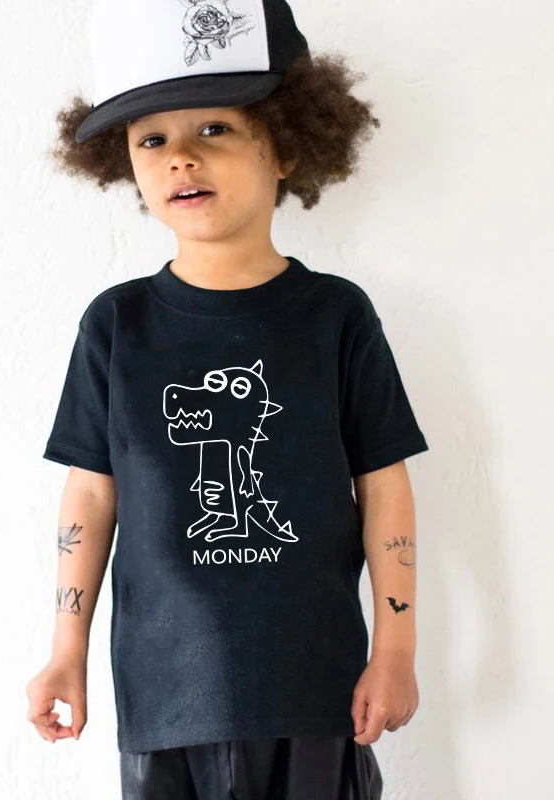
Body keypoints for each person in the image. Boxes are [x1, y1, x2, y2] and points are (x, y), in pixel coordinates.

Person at [26, 1, 429, 797]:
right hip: (164, 698)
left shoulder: (336, 316)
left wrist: (396, 650)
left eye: (214, 129)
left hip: (314, 692)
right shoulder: (116, 325)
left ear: (287, 147)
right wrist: (65, 650)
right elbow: (91, 493)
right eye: (152, 140)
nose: (181, 157)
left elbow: (384, 483)